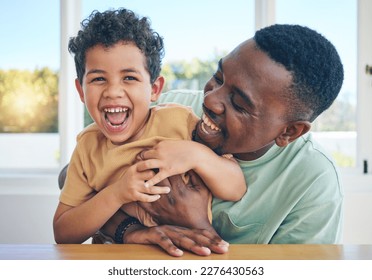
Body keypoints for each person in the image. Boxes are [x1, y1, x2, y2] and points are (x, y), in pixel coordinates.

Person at [98, 23, 344, 257]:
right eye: (218, 77)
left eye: (239, 104)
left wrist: (198, 227)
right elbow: (75, 179)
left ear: (289, 132)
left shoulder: (314, 182)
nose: (211, 100)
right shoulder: (171, 110)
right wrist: (132, 231)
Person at [53, 8, 246, 244]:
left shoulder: (178, 121)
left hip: (192, 254)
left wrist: (197, 155)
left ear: (154, 89)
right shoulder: (87, 147)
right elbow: (63, 233)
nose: (113, 91)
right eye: (98, 79)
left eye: (130, 78)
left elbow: (236, 188)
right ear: (81, 91)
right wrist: (117, 194)